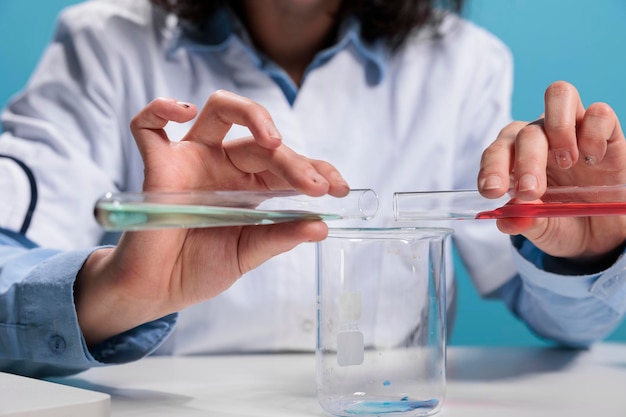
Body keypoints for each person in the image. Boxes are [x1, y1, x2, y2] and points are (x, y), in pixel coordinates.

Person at [0, 0, 625, 378]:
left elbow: (567, 324)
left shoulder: (465, 60)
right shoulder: (101, 43)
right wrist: (120, 292)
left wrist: (586, 253)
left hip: (389, 400)